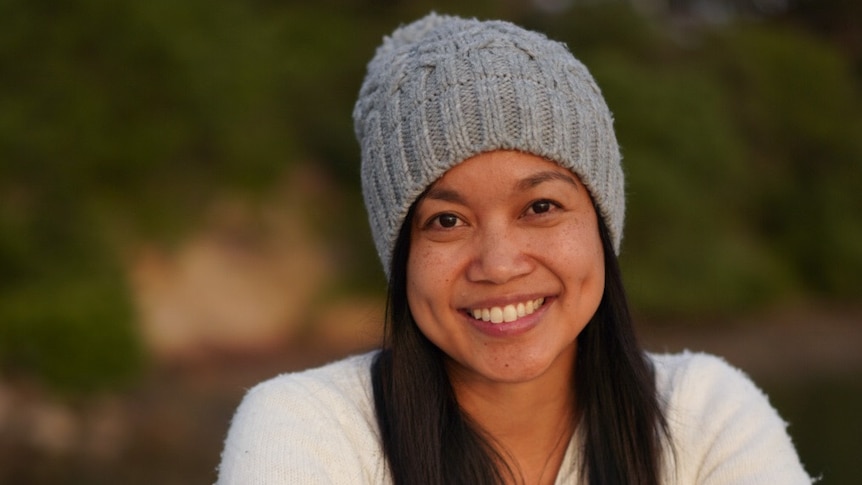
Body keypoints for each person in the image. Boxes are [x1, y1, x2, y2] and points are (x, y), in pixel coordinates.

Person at [216, 13, 812, 484]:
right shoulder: (306, 430)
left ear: (602, 225)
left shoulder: (706, 416)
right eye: (446, 220)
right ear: (400, 257)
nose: (499, 264)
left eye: (541, 208)